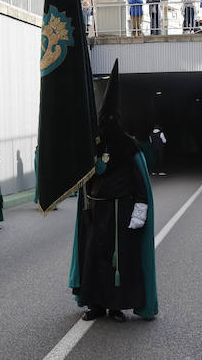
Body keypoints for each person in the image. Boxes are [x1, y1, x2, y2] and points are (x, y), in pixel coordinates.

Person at [70, 60, 158, 322]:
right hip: (96, 210)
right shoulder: (93, 146)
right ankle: (95, 304)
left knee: (118, 260)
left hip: (121, 210)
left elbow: (139, 181)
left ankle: (116, 305)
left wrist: (140, 209)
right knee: (93, 256)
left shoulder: (129, 147)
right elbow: (85, 176)